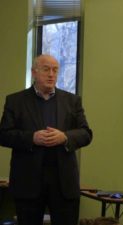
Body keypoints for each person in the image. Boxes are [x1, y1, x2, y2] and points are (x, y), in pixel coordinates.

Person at [0, 54, 93, 225]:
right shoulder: (15, 101)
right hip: (28, 182)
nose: (51, 74)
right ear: (34, 73)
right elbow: (4, 134)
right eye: (46, 69)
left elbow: (86, 133)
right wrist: (31, 138)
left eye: (55, 70)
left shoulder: (72, 101)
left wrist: (65, 137)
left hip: (63, 183)